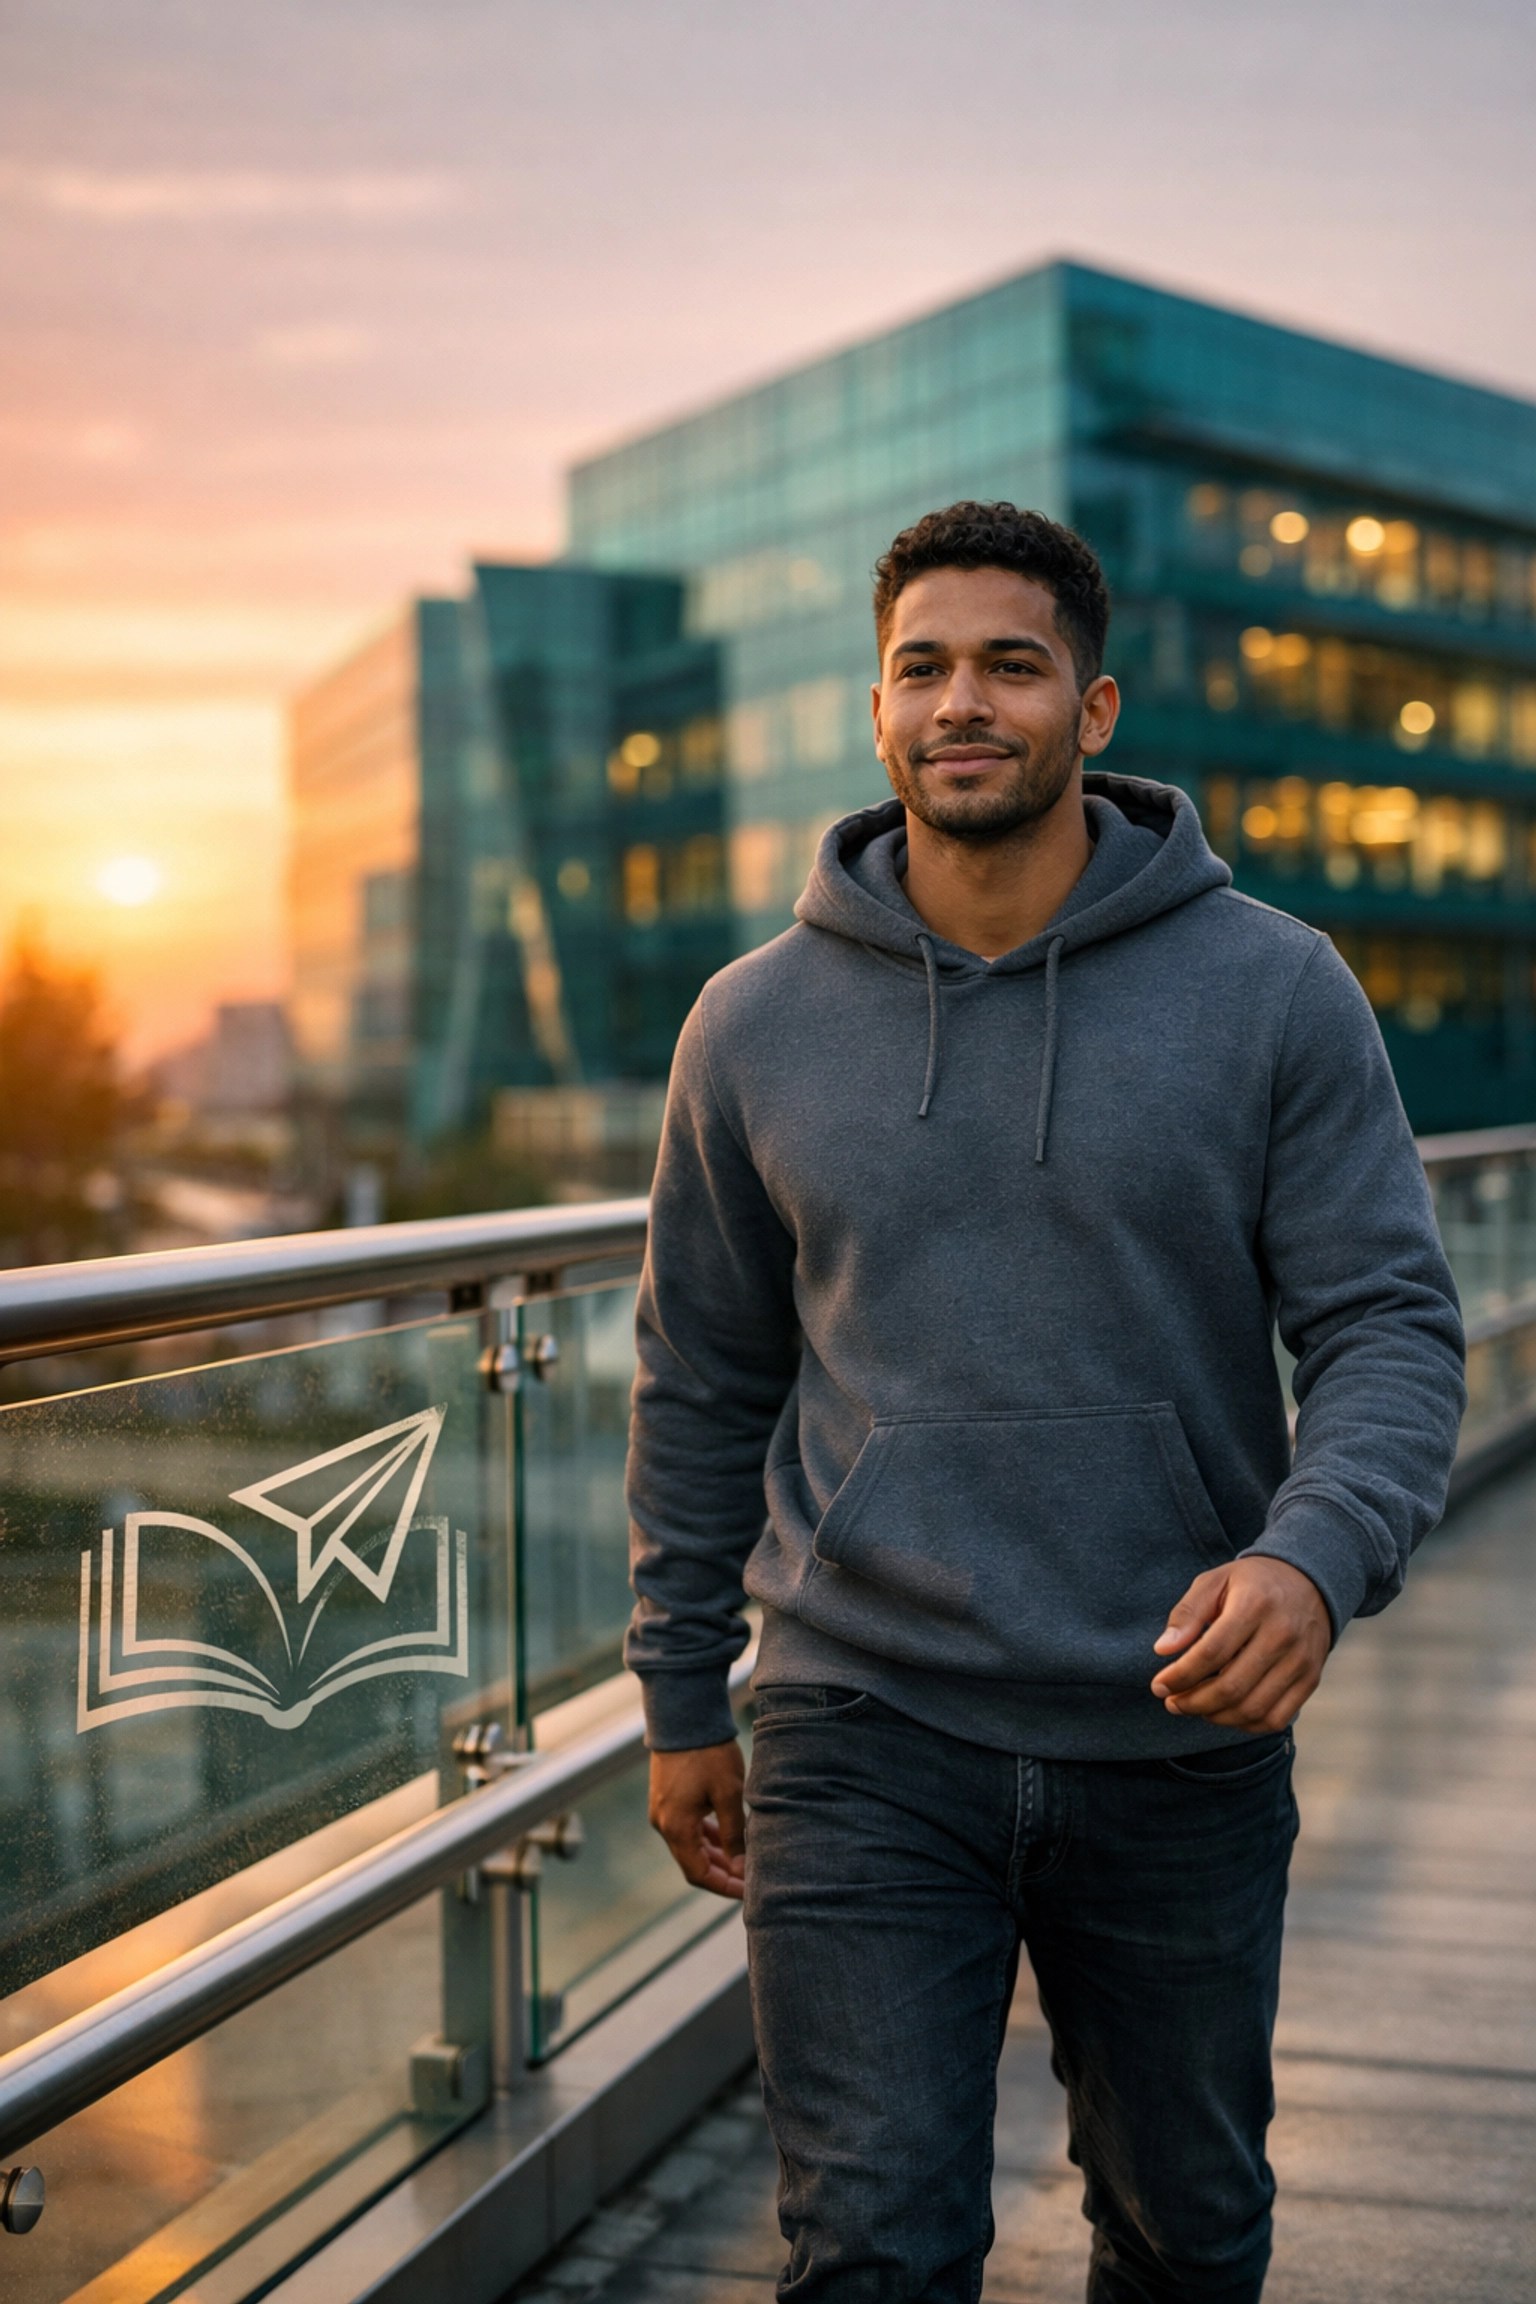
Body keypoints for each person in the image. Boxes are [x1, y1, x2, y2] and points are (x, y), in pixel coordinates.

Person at [624, 501, 1465, 2303]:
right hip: (860, 1719)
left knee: (1186, 2229)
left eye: (1012, 664)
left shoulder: (1273, 990)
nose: (963, 702)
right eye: (923, 667)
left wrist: (1313, 1562)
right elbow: (702, 1377)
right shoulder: (751, 1024)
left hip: (1177, 1714)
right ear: (876, 713)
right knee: (869, 2246)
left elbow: (1390, 1323)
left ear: (1093, 709)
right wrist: (680, 1684)